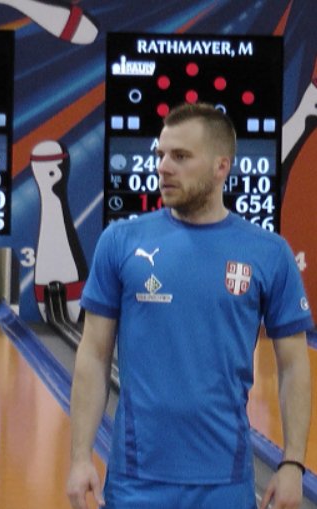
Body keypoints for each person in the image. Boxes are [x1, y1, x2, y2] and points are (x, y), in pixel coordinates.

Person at [66, 102, 313, 509]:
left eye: (180, 157)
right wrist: (80, 457)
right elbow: (93, 355)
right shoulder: (121, 242)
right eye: (161, 154)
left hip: (225, 482)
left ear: (221, 167)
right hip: (136, 482)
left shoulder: (268, 253)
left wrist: (292, 462)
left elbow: (293, 365)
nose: (163, 167)